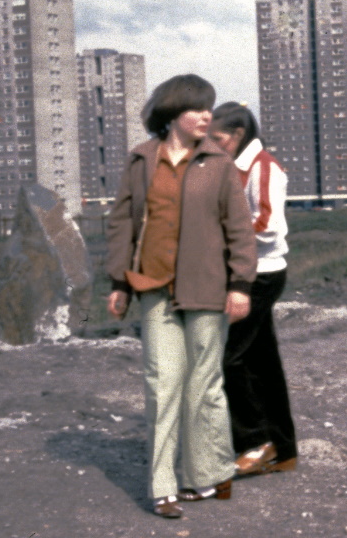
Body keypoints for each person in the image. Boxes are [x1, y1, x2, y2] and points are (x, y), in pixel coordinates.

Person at [104, 75, 257, 520]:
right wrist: (119, 283)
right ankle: (162, 487)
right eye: (198, 108)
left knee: (203, 386)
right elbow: (121, 225)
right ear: (173, 114)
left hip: (209, 290)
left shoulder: (220, 163)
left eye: (210, 109)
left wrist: (241, 285)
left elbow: (240, 229)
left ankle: (206, 476)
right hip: (153, 287)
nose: (208, 116)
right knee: (162, 384)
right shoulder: (140, 161)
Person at [207, 102, 298, 477]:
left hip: (260, 274)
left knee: (227, 358)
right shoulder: (235, 167)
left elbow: (269, 223)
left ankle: (254, 442)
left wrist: (219, 236)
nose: (211, 145)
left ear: (238, 135)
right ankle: (282, 448)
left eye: (218, 138)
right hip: (247, 271)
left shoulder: (264, 166)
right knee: (263, 362)